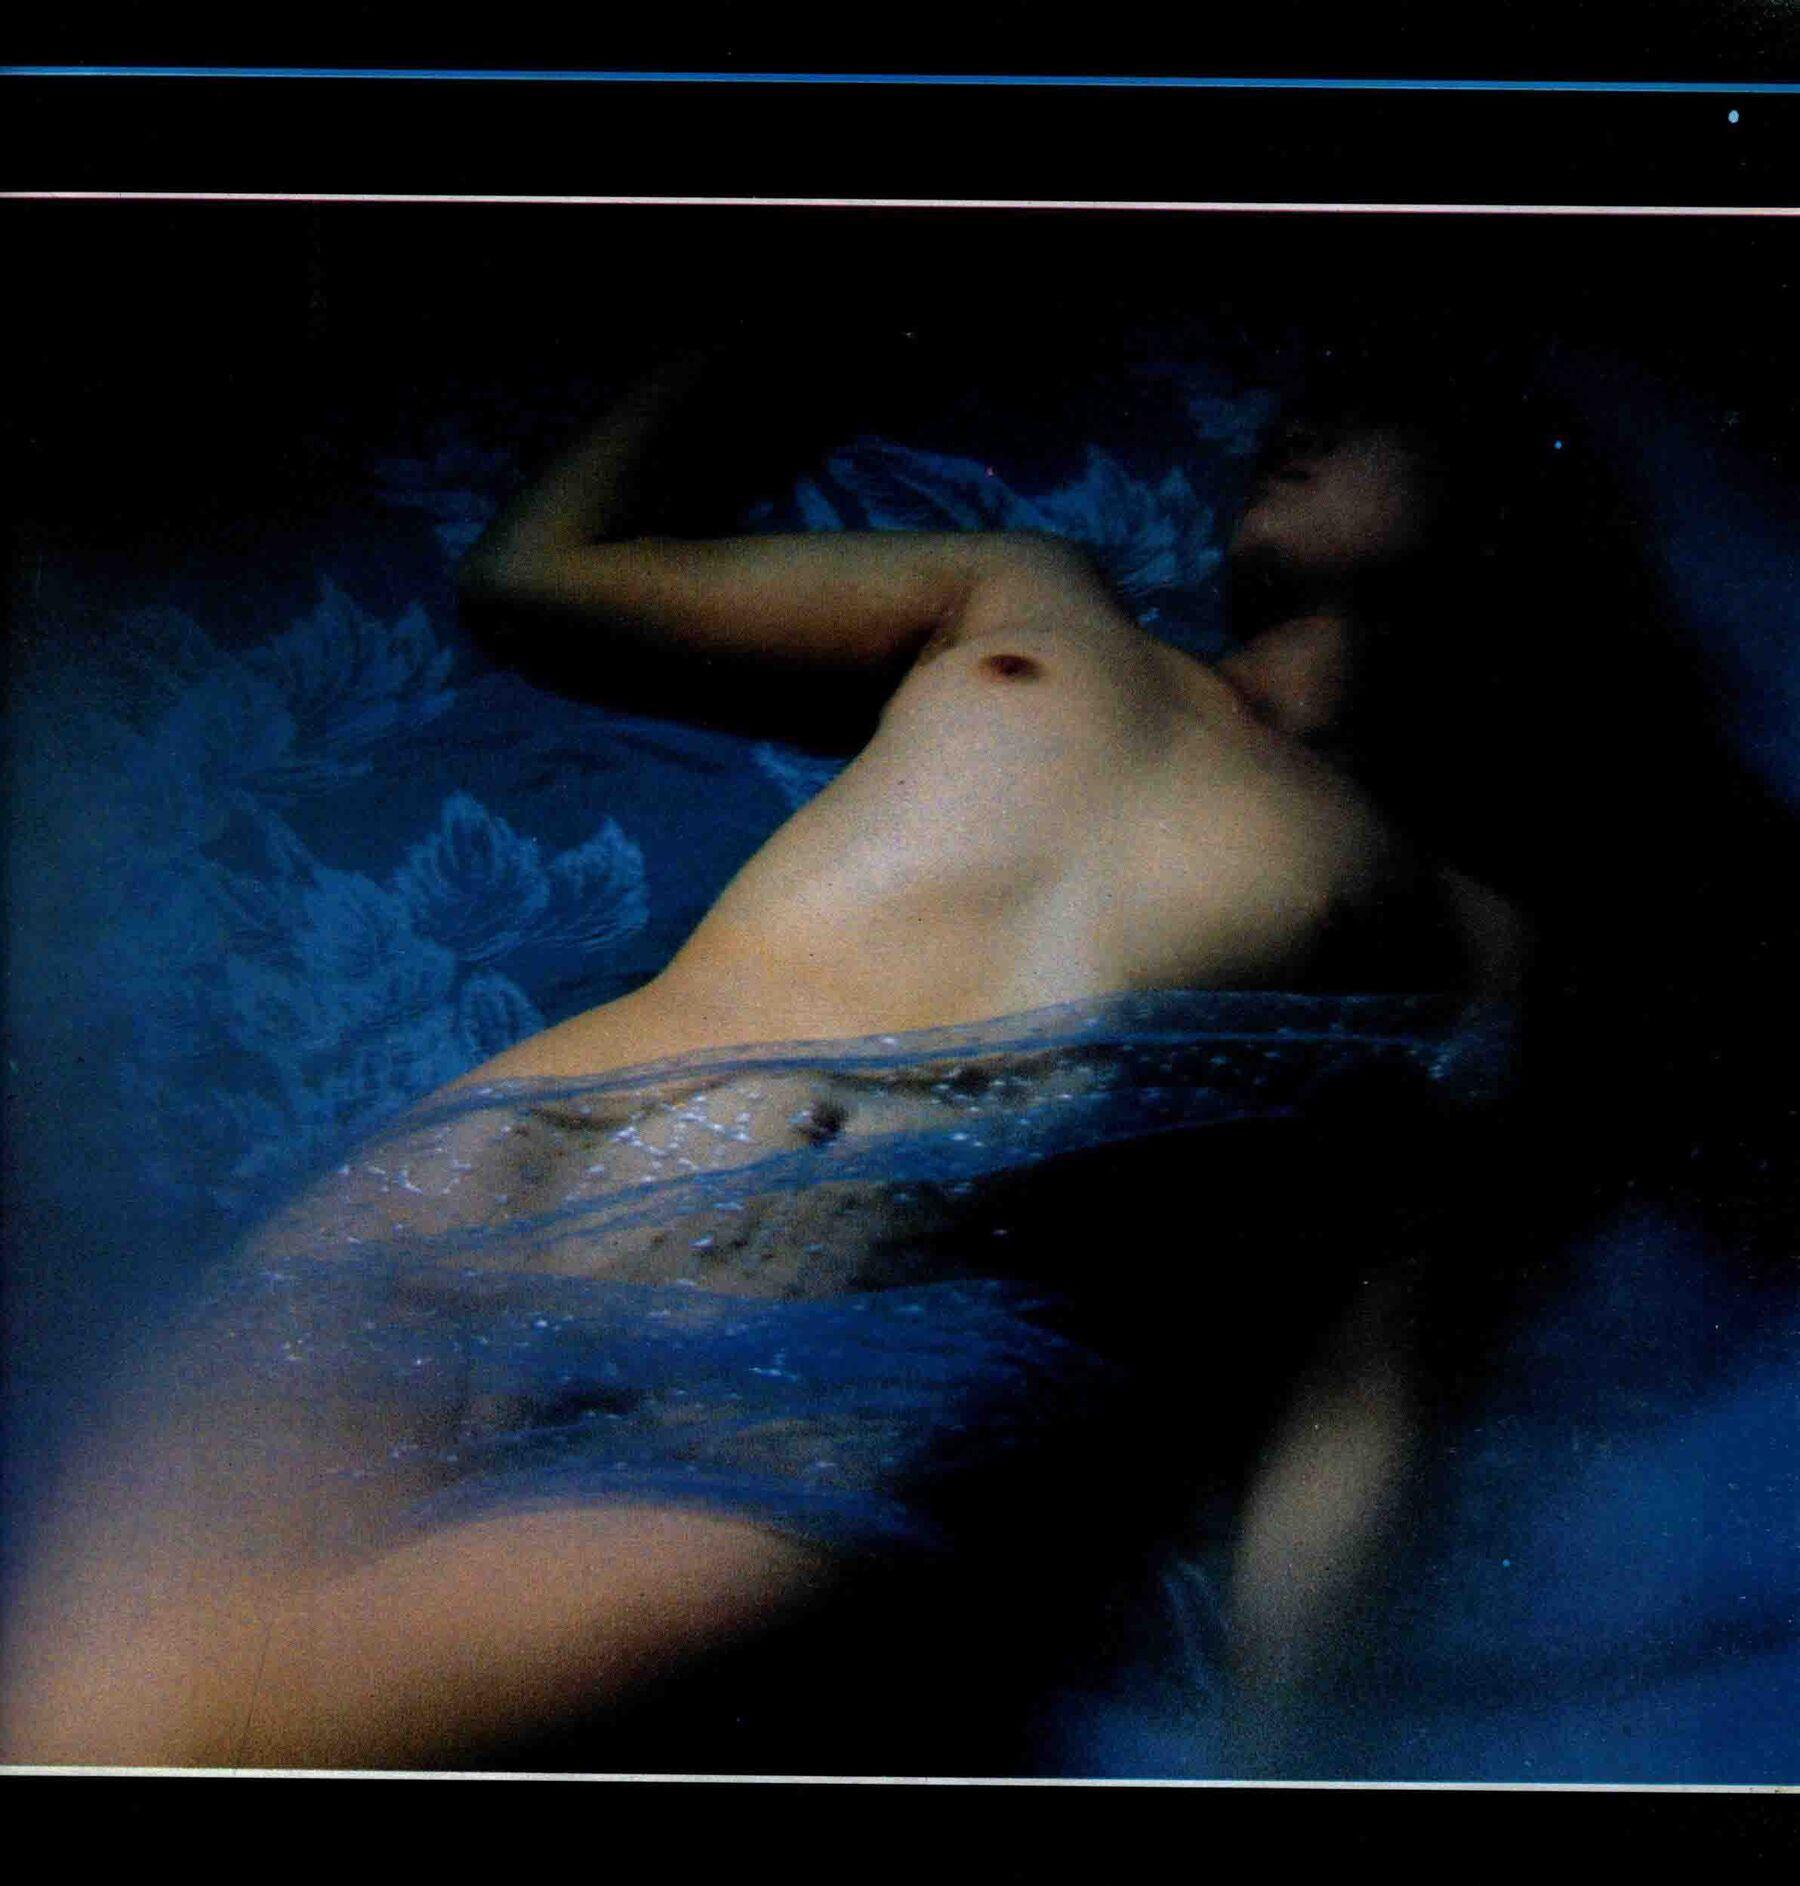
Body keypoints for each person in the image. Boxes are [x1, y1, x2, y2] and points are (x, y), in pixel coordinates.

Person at [1, 335, 1529, 1771]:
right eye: (1307, 406)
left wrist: (1285, 1766)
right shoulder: (1039, 597)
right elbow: (535, 577)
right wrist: (759, 335)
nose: (1302, 422)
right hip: (468, 1194)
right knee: (45, 1722)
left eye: (1380, 412)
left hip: (823, 1371)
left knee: (146, 1746)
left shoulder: (1467, 925)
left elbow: (1367, 1393)